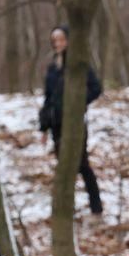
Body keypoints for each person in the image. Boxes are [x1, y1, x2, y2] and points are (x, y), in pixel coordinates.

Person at [39, 25, 104, 215]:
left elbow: (96, 88)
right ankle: (67, 209)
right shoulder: (53, 67)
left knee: (82, 165)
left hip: (75, 124)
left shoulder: (78, 65)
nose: (58, 43)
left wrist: (77, 104)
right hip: (56, 125)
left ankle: (96, 208)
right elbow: (48, 98)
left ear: (69, 41)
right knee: (64, 168)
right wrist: (43, 127)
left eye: (61, 39)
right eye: (55, 40)